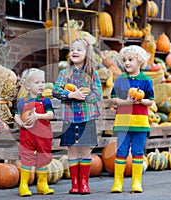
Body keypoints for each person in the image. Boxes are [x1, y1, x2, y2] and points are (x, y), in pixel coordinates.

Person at [52, 38, 102, 195]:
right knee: (72, 150)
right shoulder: (64, 73)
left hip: (87, 119)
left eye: (79, 50)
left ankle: (84, 184)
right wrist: (71, 94)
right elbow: (56, 91)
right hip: (70, 118)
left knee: (85, 150)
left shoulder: (92, 74)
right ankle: (74, 184)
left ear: (87, 54)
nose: (74, 52)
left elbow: (97, 94)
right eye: (72, 49)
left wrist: (84, 97)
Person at [110, 45, 154, 193]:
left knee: (137, 152)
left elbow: (151, 101)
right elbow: (114, 100)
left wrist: (141, 101)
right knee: (121, 152)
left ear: (140, 61)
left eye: (130, 59)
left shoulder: (146, 80)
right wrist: (126, 102)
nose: (127, 63)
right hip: (123, 123)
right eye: (124, 60)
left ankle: (136, 182)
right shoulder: (120, 79)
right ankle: (118, 182)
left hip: (140, 123)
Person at [14, 68, 54, 197]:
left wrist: (38, 116)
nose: (41, 85)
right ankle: (23, 185)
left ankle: (42, 184)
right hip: (28, 134)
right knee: (26, 158)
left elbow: (50, 115)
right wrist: (21, 123)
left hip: (43, 135)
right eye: (37, 82)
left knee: (43, 158)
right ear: (27, 86)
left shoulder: (45, 100)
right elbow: (16, 115)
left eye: (43, 82)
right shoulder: (23, 101)